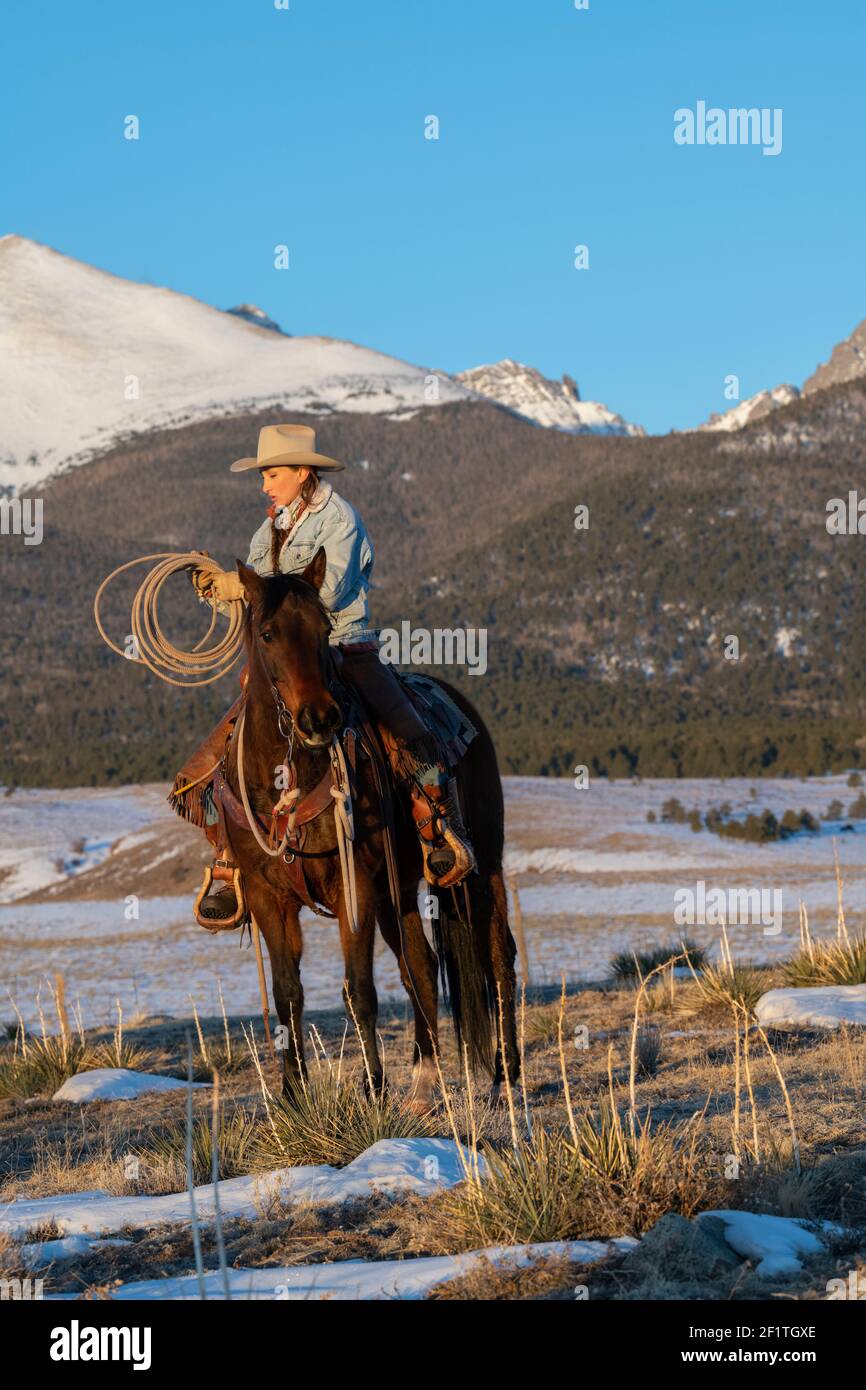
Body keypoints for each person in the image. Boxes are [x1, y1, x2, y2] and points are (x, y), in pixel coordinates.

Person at [174, 423, 476, 926]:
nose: (265, 484)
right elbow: (262, 615)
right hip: (284, 664)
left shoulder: (340, 520)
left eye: (272, 473)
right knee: (219, 757)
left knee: (402, 728)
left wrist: (247, 585)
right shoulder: (267, 529)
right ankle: (230, 860)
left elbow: (325, 594)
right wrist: (220, 592)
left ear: (301, 471)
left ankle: (435, 824)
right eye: (264, 475)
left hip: (341, 647)